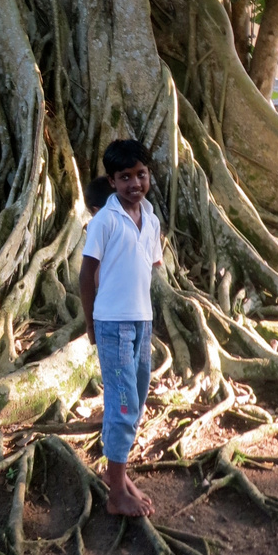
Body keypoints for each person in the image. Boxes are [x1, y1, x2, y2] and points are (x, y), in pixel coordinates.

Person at [79, 139, 162, 517]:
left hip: (142, 323)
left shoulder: (152, 219)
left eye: (140, 174)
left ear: (149, 175)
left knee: (136, 400)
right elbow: (86, 274)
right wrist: (91, 322)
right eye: (124, 177)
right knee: (123, 405)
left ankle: (119, 475)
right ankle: (115, 496)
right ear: (111, 181)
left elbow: (151, 267)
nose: (134, 183)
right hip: (112, 325)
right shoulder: (105, 220)